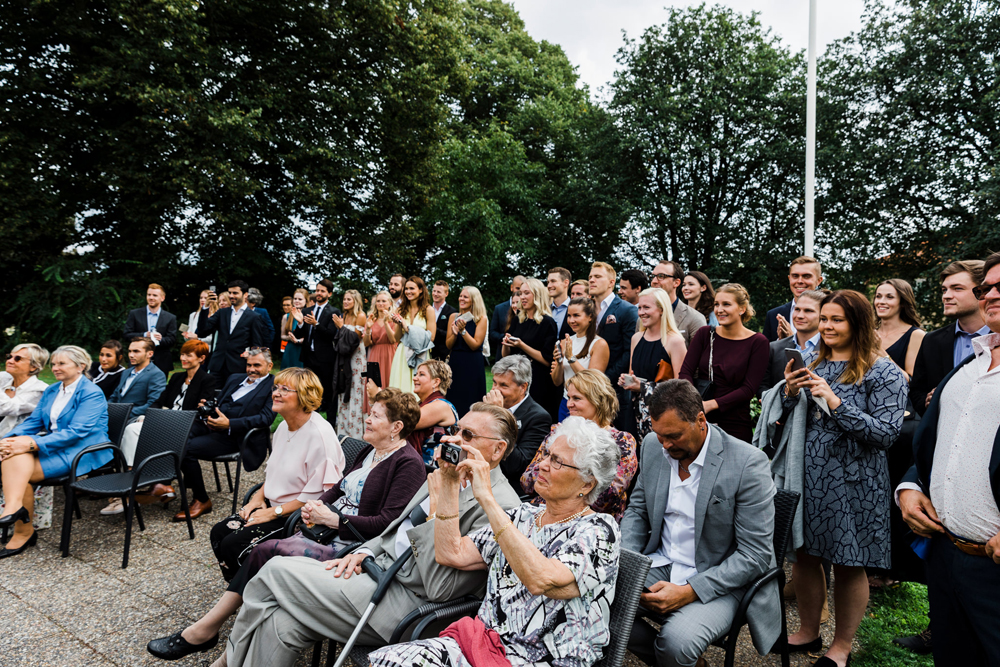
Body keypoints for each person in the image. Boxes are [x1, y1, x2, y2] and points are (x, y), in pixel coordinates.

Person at [213, 403, 521, 667]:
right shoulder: (443, 474)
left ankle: (224, 658)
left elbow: (440, 589)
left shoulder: (502, 507)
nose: (454, 439)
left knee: (275, 570)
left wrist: (441, 507)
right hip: (372, 571)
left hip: (409, 605)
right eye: (456, 429)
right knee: (279, 623)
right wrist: (366, 551)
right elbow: (395, 527)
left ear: (497, 449)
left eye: (467, 435)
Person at [366, 416, 622, 667]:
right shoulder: (524, 516)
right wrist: (449, 482)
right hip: (482, 645)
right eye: (546, 455)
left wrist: (487, 498)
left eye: (557, 462)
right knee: (390, 661)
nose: (542, 464)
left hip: (543, 659)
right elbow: (450, 553)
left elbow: (541, 579)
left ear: (588, 483)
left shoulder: (598, 530)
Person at [146, 368, 346, 662]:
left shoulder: (319, 434)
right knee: (219, 533)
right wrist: (256, 497)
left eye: (284, 389)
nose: (275, 392)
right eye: (276, 387)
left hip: (299, 518)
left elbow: (319, 495)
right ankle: (247, 597)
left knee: (235, 543)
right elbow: (275, 474)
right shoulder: (283, 428)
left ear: (304, 397)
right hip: (273, 505)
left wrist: (271, 513)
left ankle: (237, 609)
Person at [781, 290, 907, 667]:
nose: (828, 326)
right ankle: (807, 631)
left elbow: (885, 434)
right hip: (809, 475)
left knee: (849, 563)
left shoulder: (883, 370)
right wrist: (790, 393)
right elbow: (792, 419)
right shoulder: (811, 360)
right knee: (805, 556)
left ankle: (841, 647)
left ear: (858, 323)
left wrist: (836, 403)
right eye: (825, 319)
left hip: (855, 481)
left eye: (837, 319)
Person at [623, 379, 781, 667]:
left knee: (675, 644)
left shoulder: (747, 463)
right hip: (662, 561)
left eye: (673, 435)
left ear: (700, 419)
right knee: (594, 604)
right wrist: (628, 564)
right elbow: (637, 511)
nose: (665, 444)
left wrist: (689, 591)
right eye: (659, 435)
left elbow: (755, 556)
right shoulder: (652, 446)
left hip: (720, 577)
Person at [895, 251, 1000, 667]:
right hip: (945, 555)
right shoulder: (970, 366)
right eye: (985, 287)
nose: (990, 294)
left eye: (999, 287)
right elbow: (934, 440)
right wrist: (910, 485)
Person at [0, 346, 110, 558]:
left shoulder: (91, 393)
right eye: (54, 364)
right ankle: (16, 511)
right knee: (15, 449)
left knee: (20, 470)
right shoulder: (52, 390)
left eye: (61, 363)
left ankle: (23, 529)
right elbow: (33, 422)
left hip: (83, 448)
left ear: (81, 367)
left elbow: (77, 432)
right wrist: (6, 440)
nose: (55, 368)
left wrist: (30, 445)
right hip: (55, 443)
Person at [101, 340, 220, 516]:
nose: (183, 358)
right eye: (182, 354)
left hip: (192, 425)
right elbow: (160, 401)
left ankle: (167, 485)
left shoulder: (207, 380)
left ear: (201, 358)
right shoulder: (177, 377)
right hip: (166, 421)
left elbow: (201, 412)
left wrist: (167, 419)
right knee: (132, 429)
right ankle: (135, 480)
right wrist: (148, 416)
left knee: (172, 441)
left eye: (188, 355)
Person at [171, 350, 276, 520]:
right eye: (249, 364)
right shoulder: (235, 378)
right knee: (176, 435)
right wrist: (208, 407)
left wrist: (229, 424)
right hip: (211, 425)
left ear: (269, 366)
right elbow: (220, 402)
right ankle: (165, 482)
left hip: (237, 436)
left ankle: (201, 499)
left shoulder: (274, 386)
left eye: (257, 365)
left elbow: (265, 418)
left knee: (185, 448)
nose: (251, 369)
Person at [522, 370, 637, 521]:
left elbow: (607, 498)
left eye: (576, 398)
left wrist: (554, 483)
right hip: (542, 513)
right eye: (568, 397)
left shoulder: (622, 441)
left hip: (588, 522)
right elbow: (527, 481)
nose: (569, 404)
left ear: (598, 400)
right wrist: (569, 482)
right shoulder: (559, 432)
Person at [679, 284, 769, 443]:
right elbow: (685, 372)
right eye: (716, 304)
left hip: (735, 420)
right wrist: (695, 402)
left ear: (742, 309)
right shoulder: (704, 334)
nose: (719, 309)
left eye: (726, 304)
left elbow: (749, 389)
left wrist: (712, 404)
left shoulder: (757, 342)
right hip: (699, 416)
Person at [910, 259, 989, 416]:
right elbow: (916, 392)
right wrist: (927, 401)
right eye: (944, 290)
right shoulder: (931, 340)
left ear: (982, 291)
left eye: (957, 289)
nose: (946, 296)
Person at [619, 287, 689, 439]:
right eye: (639, 307)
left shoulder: (674, 341)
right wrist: (626, 380)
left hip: (662, 414)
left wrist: (643, 387)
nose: (641, 312)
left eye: (646, 307)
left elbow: (681, 387)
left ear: (662, 310)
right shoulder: (636, 338)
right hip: (634, 412)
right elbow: (633, 374)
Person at [369, 360, 457, 466]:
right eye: (416, 374)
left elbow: (407, 420)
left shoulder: (441, 405)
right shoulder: (420, 405)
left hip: (434, 470)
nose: (415, 378)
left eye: (421, 374)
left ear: (436, 382)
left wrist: (379, 393)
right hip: (415, 465)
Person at [486, 354, 552, 489]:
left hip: (507, 487)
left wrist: (499, 416)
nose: (494, 390)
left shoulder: (538, 417)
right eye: (494, 382)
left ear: (523, 387)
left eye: (503, 385)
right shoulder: (487, 406)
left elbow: (518, 466)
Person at [590, 262, 639, 431]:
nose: (592, 280)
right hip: (588, 390)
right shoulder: (586, 309)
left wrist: (603, 380)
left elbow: (629, 352)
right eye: (590, 277)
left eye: (597, 277)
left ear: (612, 282)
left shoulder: (627, 310)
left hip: (615, 390)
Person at [503, 277, 560, 419]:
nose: (522, 297)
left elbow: (547, 360)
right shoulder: (518, 319)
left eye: (526, 293)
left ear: (537, 295)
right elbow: (506, 356)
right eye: (520, 293)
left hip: (538, 380)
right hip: (516, 377)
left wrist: (522, 345)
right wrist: (506, 344)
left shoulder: (548, 322)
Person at [197, 280, 268, 382]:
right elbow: (202, 331)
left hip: (238, 366)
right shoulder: (222, 313)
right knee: (212, 396)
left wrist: (250, 353)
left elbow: (257, 344)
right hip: (217, 365)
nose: (231, 296)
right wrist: (205, 308)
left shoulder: (254, 317)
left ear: (245, 295)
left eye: (235, 293)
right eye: (230, 292)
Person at [551, 296, 609, 420]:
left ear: (590, 317)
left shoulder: (599, 344)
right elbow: (557, 381)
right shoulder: (565, 342)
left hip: (588, 405)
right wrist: (560, 362)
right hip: (566, 402)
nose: (571, 320)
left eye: (576, 315)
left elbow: (592, 382)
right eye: (569, 316)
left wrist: (571, 358)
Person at [759, 289, 825, 394]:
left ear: (823, 315)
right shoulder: (774, 348)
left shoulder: (832, 349)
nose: (799, 315)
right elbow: (762, 386)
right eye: (797, 309)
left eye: (808, 311)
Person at [300, 279, 342, 415]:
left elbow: (331, 335)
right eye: (317, 290)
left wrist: (316, 324)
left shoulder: (334, 312)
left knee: (327, 391)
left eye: (322, 291)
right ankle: (311, 419)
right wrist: (300, 323)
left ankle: (330, 422)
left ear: (329, 294)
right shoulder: (307, 310)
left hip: (325, 359)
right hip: (308, 357)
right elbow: (299, 333)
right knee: (309, 391)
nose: (319, 293)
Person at [444, 286, 488, 416]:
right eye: (461, 296)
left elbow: (475, 345)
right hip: (456, 361)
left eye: (465, 297)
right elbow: (449, 344)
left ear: (473, 300)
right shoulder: (453, 316)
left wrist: (463, 331)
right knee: (454, 395)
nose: (461, 299)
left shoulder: (481, 318)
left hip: (472, 362)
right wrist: (455, 333)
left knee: (471, 396)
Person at [388, 276, 436, 393]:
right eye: (406, 289)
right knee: (400, 388)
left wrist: (407, 327)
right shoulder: (400, 310)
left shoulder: (428, 310)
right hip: (402, 353)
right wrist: (398, 324)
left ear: (420, 290)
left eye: (412, 288)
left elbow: (431, 337)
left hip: (421, 353)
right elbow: (397, 338)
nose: (408, 291)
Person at [762, 256, 824, 342]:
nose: (800, 281)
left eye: (806, 276)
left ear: (819, 280)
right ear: (789, 278)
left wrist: (790, 341)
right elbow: (766, 353)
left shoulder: (830, 312)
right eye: (795, 276)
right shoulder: (773, 315)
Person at [875, 279, 925, 381]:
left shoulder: (915, 335)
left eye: (890, 297)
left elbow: (910, 381)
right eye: (878, 296)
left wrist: (880, 352)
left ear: (902, 303)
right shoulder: (869, 334)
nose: (881, 302)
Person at [123, 283, 178, 376]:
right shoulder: (135, 314)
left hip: (161, 361)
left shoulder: (170, 318)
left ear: (162, 298)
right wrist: (144, 335)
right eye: (149, 295)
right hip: (137, 360)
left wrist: (161, 339)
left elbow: (172, 340)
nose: (151, 297)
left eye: (155, 295)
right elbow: (126, 335)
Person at [649, 261, 706, 345]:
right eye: (653, 276)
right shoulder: (643, 317)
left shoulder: (695, 318)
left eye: (661, 276)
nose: (654, 281)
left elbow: (701, 356)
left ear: (676, 283)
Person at [336, 289, 367, 439]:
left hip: (356, 359)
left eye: (349, 299)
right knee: (343, 388)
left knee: (355, 389)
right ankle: (343, 430)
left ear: (356, 301)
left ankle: (356, 433)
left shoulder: (360, 316)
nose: (346, 302)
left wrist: (341, 327)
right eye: (344, 299)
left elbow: (354, 340)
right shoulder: (345, 315)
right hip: (344, 358)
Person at [108, 338, 168, 416]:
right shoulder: (126, 372)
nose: (131, 355)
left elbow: (153, 405)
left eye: (136, 351)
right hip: (114, 416)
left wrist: (123, 414)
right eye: (130, 351)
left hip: (135, 419)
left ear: (150, 354)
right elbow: (115, 397)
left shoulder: (156, 374)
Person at [0, 344, 49, 436]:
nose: (10, 361)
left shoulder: (39, 390)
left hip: (11, 440)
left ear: (33, 366)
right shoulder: (4, 378)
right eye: (9, 357)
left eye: (17, 358)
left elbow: (6, 408)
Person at [363, 290, 398, 413]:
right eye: (378, 301)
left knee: (389, 385)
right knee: (374, 385)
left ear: (389, 303)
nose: (381, 303)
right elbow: (366, 343)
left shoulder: (394, 318)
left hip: (390, 355)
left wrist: (387, 322)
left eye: (384, 301)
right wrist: (368, 328)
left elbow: (393, 339)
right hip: (374, 355)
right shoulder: (371, 318)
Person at [488, 275, 526, 364]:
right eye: (518, 288)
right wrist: (507, 339)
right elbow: (493, 333)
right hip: (503, 355)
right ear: (511, 288)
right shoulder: (499, 308)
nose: (520, 292)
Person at [280, 289, 308, 370]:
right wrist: (290, 338)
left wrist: (299, 340)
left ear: (306, 301)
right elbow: (282, 336)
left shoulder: (309, 316)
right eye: (295, 299)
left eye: (300, 299)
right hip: (290, 349)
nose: (297, 301)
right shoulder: (287, 317)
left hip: (303, 350)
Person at [430, 280, 456, 361]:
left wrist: (433, 329)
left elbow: (451, 334)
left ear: (446, 294)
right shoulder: (426, 309)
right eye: (434, 291)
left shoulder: (452, 312)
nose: (435, 294)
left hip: (443, 354)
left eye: (438, 292)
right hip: (427, 352)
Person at [547, 266, 573, 338]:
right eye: (548, 282)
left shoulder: (576, 308)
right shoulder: (545, 310)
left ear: (566, 283)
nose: (549, 286)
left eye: (553, 281)